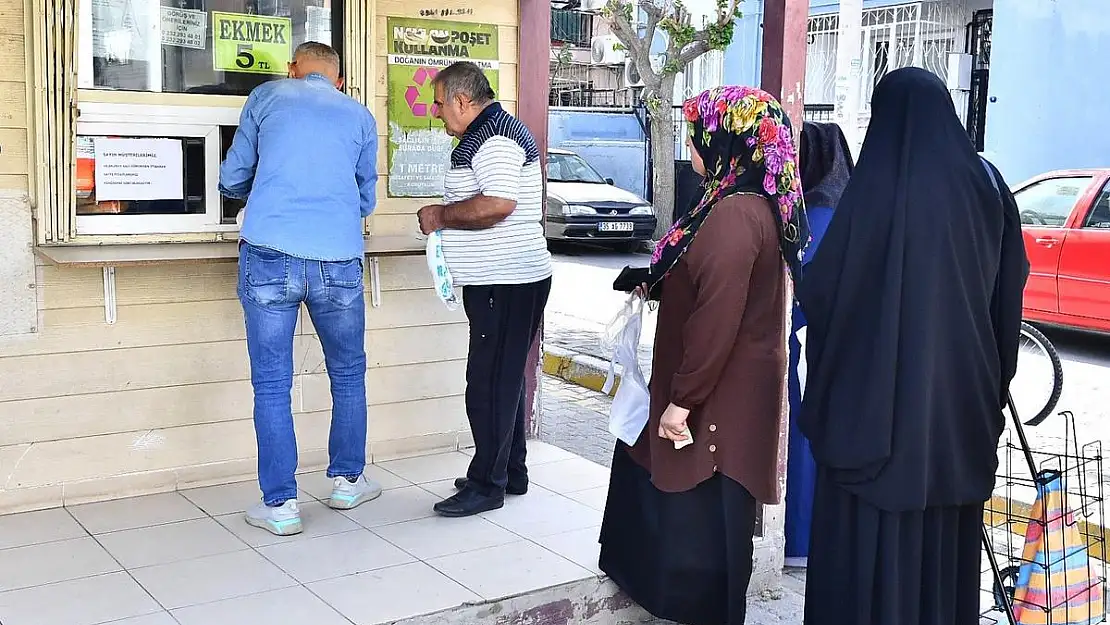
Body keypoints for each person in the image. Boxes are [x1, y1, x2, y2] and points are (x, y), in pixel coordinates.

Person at [798, 68, 1028, 625]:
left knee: (866, 554)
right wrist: (988, 385)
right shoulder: (988, 186)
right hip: (958, 411)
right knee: (945, 548)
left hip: (870, 420)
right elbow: (1010, 292)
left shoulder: (871, 192)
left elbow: (823, 294)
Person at [600, 85, 810, 625]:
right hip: (723, 394)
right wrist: (659, 283)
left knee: (707, 522)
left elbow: (719, 315)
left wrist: (682, 401)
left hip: (717, 402)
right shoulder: (729, 202)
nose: (692, 146)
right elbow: (708, 282)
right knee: (696, 514)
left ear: (727, 142)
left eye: (698, 135)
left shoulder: (735, 214)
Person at [219, 42, 381, 536]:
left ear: (293, 70)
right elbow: (366, 197)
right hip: (337, 258)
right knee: (348, 373)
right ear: (338, 79)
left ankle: (281, 505)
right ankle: (348, 482)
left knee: (272, 382)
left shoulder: (266, 96)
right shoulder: (359, 115)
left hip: (269, 251)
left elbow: (232, 176)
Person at [416, 62, 552, 518]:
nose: (435, 112)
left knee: (489, 384)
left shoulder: (495, 137)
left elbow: (498, 203)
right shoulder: (490, 131)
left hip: (508, 282)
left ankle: (486, 485)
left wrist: (440, 215)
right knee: (504, 379)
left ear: (461, 100)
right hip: (504, 282)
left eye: (439, 103)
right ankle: (508, 470)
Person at [783, 121, 854, 568]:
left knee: (801, 445)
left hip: (809, 349)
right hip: (842, 352)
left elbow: (799, 290)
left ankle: (799, 542)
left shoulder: (817, 215)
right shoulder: (853, 207)